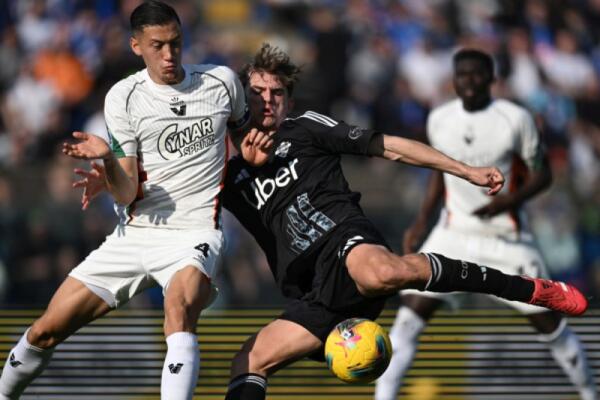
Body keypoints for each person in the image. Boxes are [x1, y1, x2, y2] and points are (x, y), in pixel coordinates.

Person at [68, 44, 588, 400]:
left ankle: (530, 289)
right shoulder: (222, 167)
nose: (267, 102)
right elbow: (156, 195)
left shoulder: (306, 128)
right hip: (310, 290)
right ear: (242, 99)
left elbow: (391, 147)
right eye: (258, 93)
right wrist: (111, 176)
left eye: (277, 94)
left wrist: (466, 170)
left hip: (347, 242)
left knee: (383, 271)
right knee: (247, 362)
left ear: (289, 100)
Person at [0, 2, 249, 399]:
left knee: (179, 312)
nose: (169, 54)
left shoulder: (220, 82)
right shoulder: (124, 97)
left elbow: (249, 140)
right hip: (134, 234)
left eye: (175, 43)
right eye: (157, 46)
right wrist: (108, 161)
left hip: (195, 233)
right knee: (45, 331)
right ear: (136, 46)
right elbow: (126, 191)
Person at [374, 49, 596, 400]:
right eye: (462, 74)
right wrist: (421, 221)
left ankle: (589, 392)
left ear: (492, 78)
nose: (469, 81)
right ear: (453, 79)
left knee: (551, 327)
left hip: (506, 239)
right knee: (408, 318)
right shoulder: (440, 117)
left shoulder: (515, 119)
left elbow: (543, 173)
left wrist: (509, 201)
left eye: (477, 73)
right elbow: (439, 171)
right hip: (452, 233)